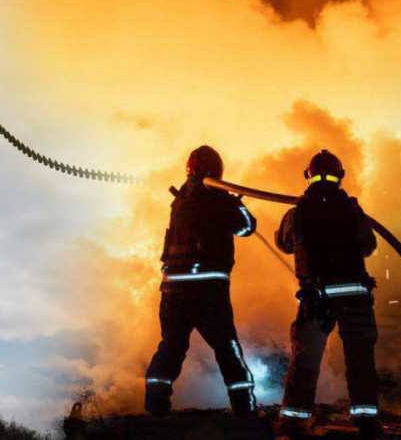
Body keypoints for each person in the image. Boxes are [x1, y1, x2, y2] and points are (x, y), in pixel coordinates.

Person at [144, 146, 259, 417]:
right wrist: (236, 201)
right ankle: (245, 411)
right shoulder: (219, 199)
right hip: (208, 291)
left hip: (174, 288)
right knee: (227, 348)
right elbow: (247, 227)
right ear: (218, 171)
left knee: (171, 345)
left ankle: (155, 408)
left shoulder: (180, 198)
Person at [274, 150, 382, 439]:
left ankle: (295, 421)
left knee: (306, 359)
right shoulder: (352, 209)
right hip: (354, 298)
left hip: (317, 299)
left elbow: (283, 244)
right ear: (341, 175)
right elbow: (369, 245)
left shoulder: (297, 212)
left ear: (307, 175)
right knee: (360, 360)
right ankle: (367, 421)